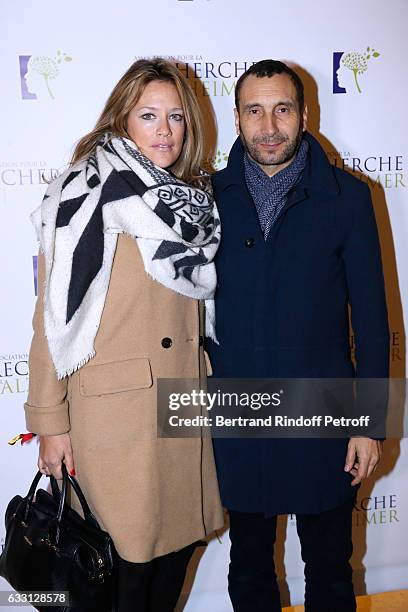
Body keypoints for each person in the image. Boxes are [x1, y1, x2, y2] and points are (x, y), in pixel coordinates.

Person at [24, 58, 224, 612]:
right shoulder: (85, 193)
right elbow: (50, 319)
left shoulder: (192, 203)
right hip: (117, 418)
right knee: (125, 576)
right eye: (149, 115)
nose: (164, 130)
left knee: (172, 563)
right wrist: (50, 424)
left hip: (182, 404)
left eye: (176, 117)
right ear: (121, 121)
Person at [207, 59, 389, 612]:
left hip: (325, 419)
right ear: (236, 119)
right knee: (249, 569)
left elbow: (374, 322)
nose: (269, 125)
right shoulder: (205, 200)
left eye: (282, 109)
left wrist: (369, 425)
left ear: (304, 115)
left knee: (331, 571)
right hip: (240, 413)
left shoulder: (349, 198)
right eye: (254, 110)